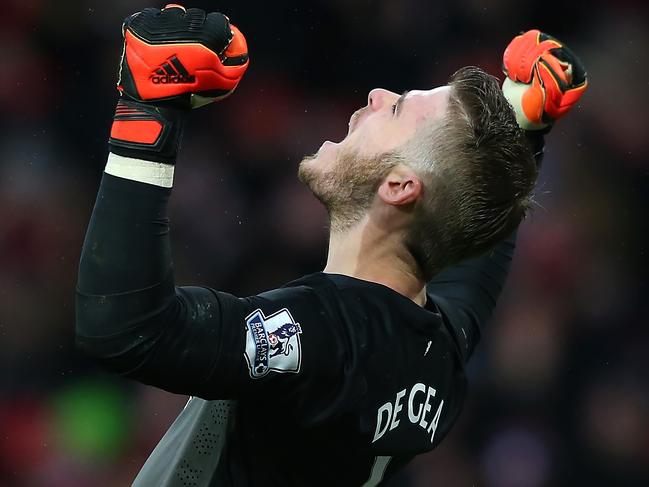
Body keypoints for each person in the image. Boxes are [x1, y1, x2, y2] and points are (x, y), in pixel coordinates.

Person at [75, 4, 587, 486]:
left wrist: (147, 110)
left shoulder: (324, 332)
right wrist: (524, 131)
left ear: (401, 186)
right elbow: (475, 268)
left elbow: (127, 329)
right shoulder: (439, 357)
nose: (378, 95)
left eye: (398, 110)